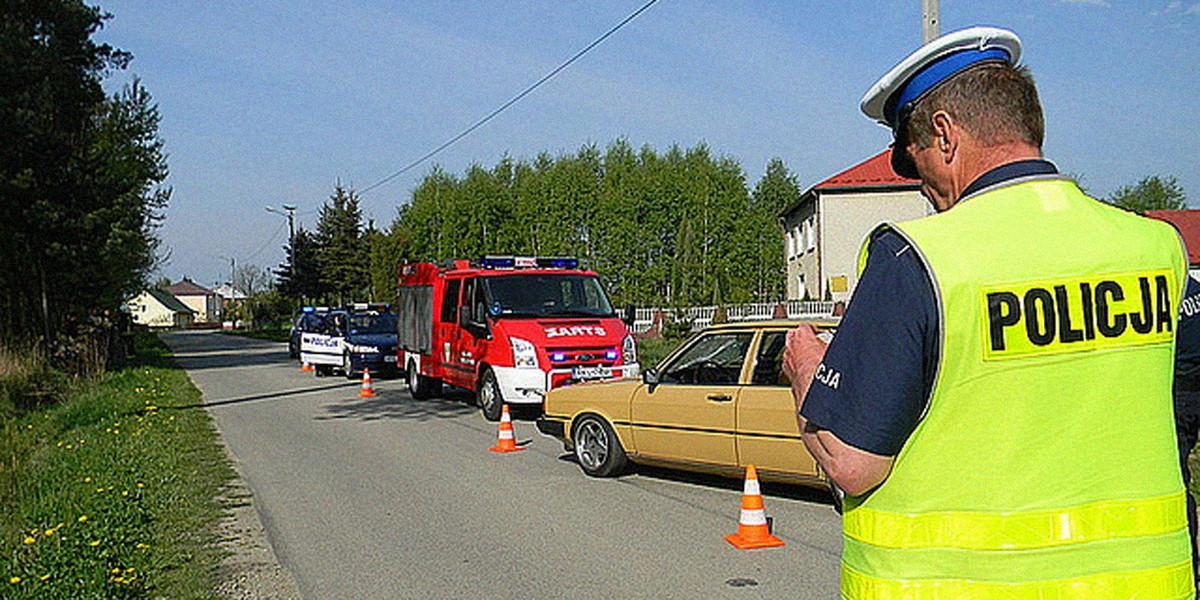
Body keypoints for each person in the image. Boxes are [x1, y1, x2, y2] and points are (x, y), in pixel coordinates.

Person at [782, 26, 1195, 596]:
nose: (920, 181)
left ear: (946, 136)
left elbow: (851, 462)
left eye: (914, 153)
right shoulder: (1156, 248)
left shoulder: (916, 258)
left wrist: (805, 368)